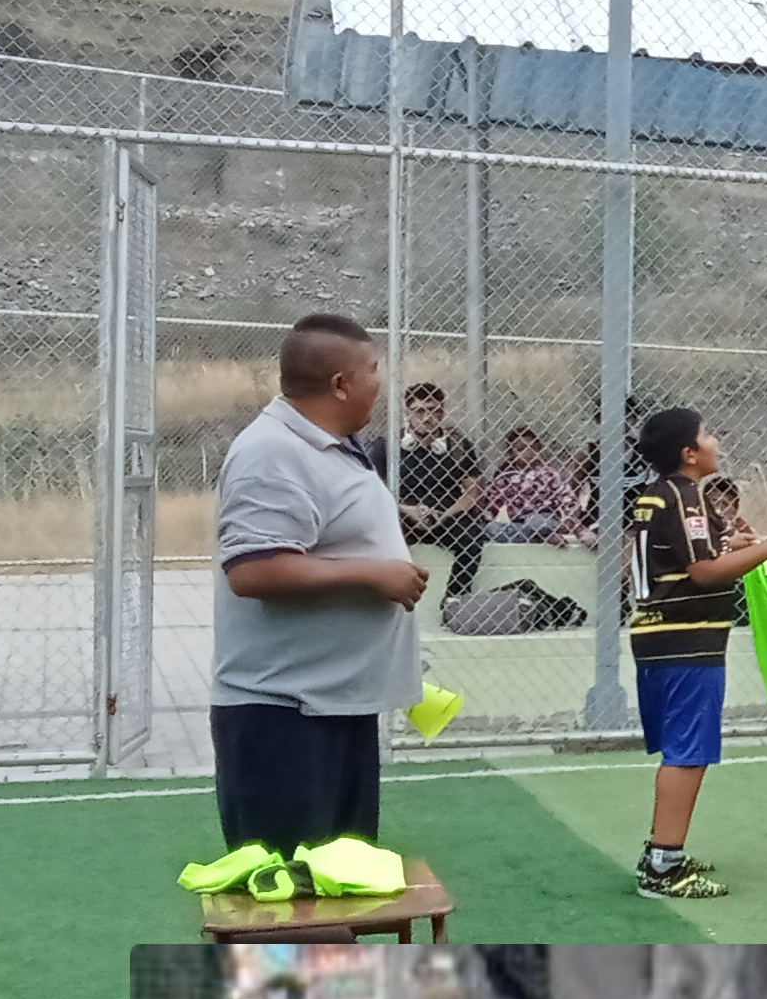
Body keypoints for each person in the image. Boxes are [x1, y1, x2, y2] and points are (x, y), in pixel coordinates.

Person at [202, 317, 426, 866]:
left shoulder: (330, 445)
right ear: (340, 384)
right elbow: (254, 570)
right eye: (373, 371)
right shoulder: (272, 452)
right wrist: (373, 574)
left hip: (331, 706)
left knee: (337, 889)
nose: (381, 384)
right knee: (288, 898)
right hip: (285, 717)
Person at [623, 406, 767, 901]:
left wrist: (729, 546)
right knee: (687, 754)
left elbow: (686, 558)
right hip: (685, 642)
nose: (716, 441)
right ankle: (664, 865)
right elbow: (703, 573)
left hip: (658, 638)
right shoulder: (686, 496)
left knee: (683, 751)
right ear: (689, 452)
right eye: (708, 434)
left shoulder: (656, 495)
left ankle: (660, 851)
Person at [392, 383, 489, 597]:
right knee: (384, 535)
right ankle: (395, 594)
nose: (427, 418)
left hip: (446, 515)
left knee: (471, 539)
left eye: (433, 410)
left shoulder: (458, 445)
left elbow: (472, 492)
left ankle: (455, 599)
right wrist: (407, 510)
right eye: (419, 411)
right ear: (407, 413)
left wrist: (443, 516)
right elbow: (374, 492)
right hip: (406, 515)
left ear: (442, 412)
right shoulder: (389, 445)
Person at [475, 425, 577, 545]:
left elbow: (566, 496)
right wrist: (487, 520)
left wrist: (571, 520)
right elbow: (492, 503)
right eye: (520, 449)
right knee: (492, 529)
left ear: (539, 450)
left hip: (543, 517)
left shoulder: (547, 473)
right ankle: (539, 537)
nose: (527, 453)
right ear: (511, 453)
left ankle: (539, 534)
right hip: (519, 524)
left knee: (537, 523)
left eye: (532, 448)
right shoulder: (505, 476)